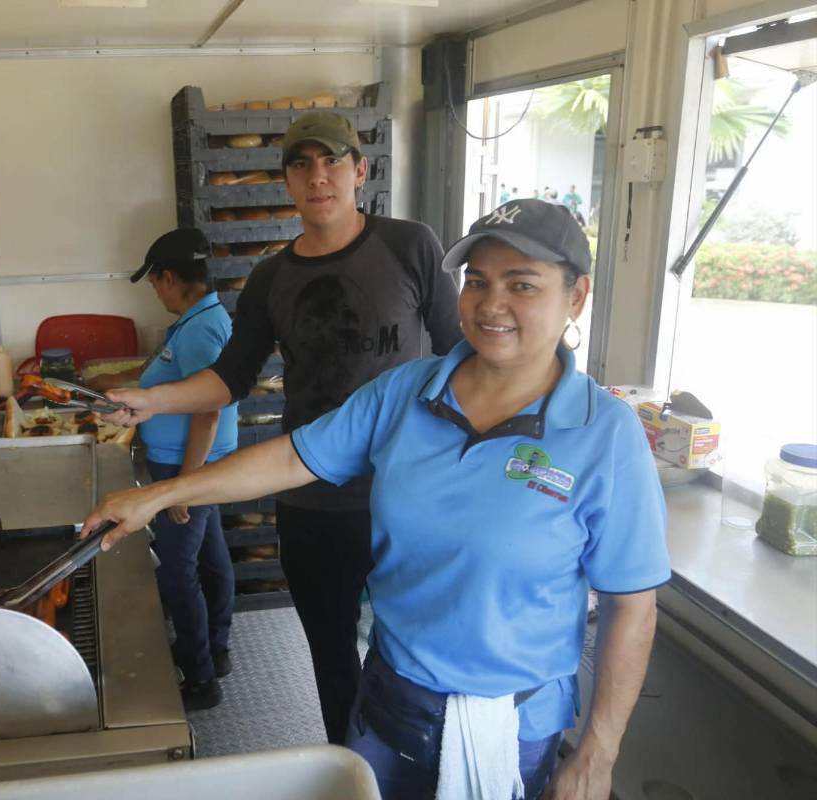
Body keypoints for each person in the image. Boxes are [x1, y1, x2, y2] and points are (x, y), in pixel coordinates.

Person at [86, 199, 669, 799]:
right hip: (391, 700)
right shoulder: (408, 392)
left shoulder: (605, 434)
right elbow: (291, 458)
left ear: (576, 298)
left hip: (511, 726)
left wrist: (598, 752)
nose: (491, 304)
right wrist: (159, 495)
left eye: (522, 285)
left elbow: (632, 606)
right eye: (477, 281)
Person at [103, 110, 462, 744]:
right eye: (301, 164)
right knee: (331, 656)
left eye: (331, 161)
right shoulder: (272, 277)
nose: (317, 176)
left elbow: (459, 355)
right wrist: (152, 401)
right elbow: (230, 378)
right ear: (287, 181)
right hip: (311, 497)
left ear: (360, 170)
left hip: (404, 497)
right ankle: (349, 766)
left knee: (416, 653)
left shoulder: (411, 246)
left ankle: (413, 765)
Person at [91, 227, 238, 711]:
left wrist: (183, 488)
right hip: (189, 465)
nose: (155, 292)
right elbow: (167, 380)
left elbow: (208, 409)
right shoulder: (196, 320)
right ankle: (214, 650)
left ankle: (200, 678)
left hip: (188, 467)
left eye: (155, 282)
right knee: (210, 558)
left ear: (170, 278)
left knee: (177, 571)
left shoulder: (200, 330)